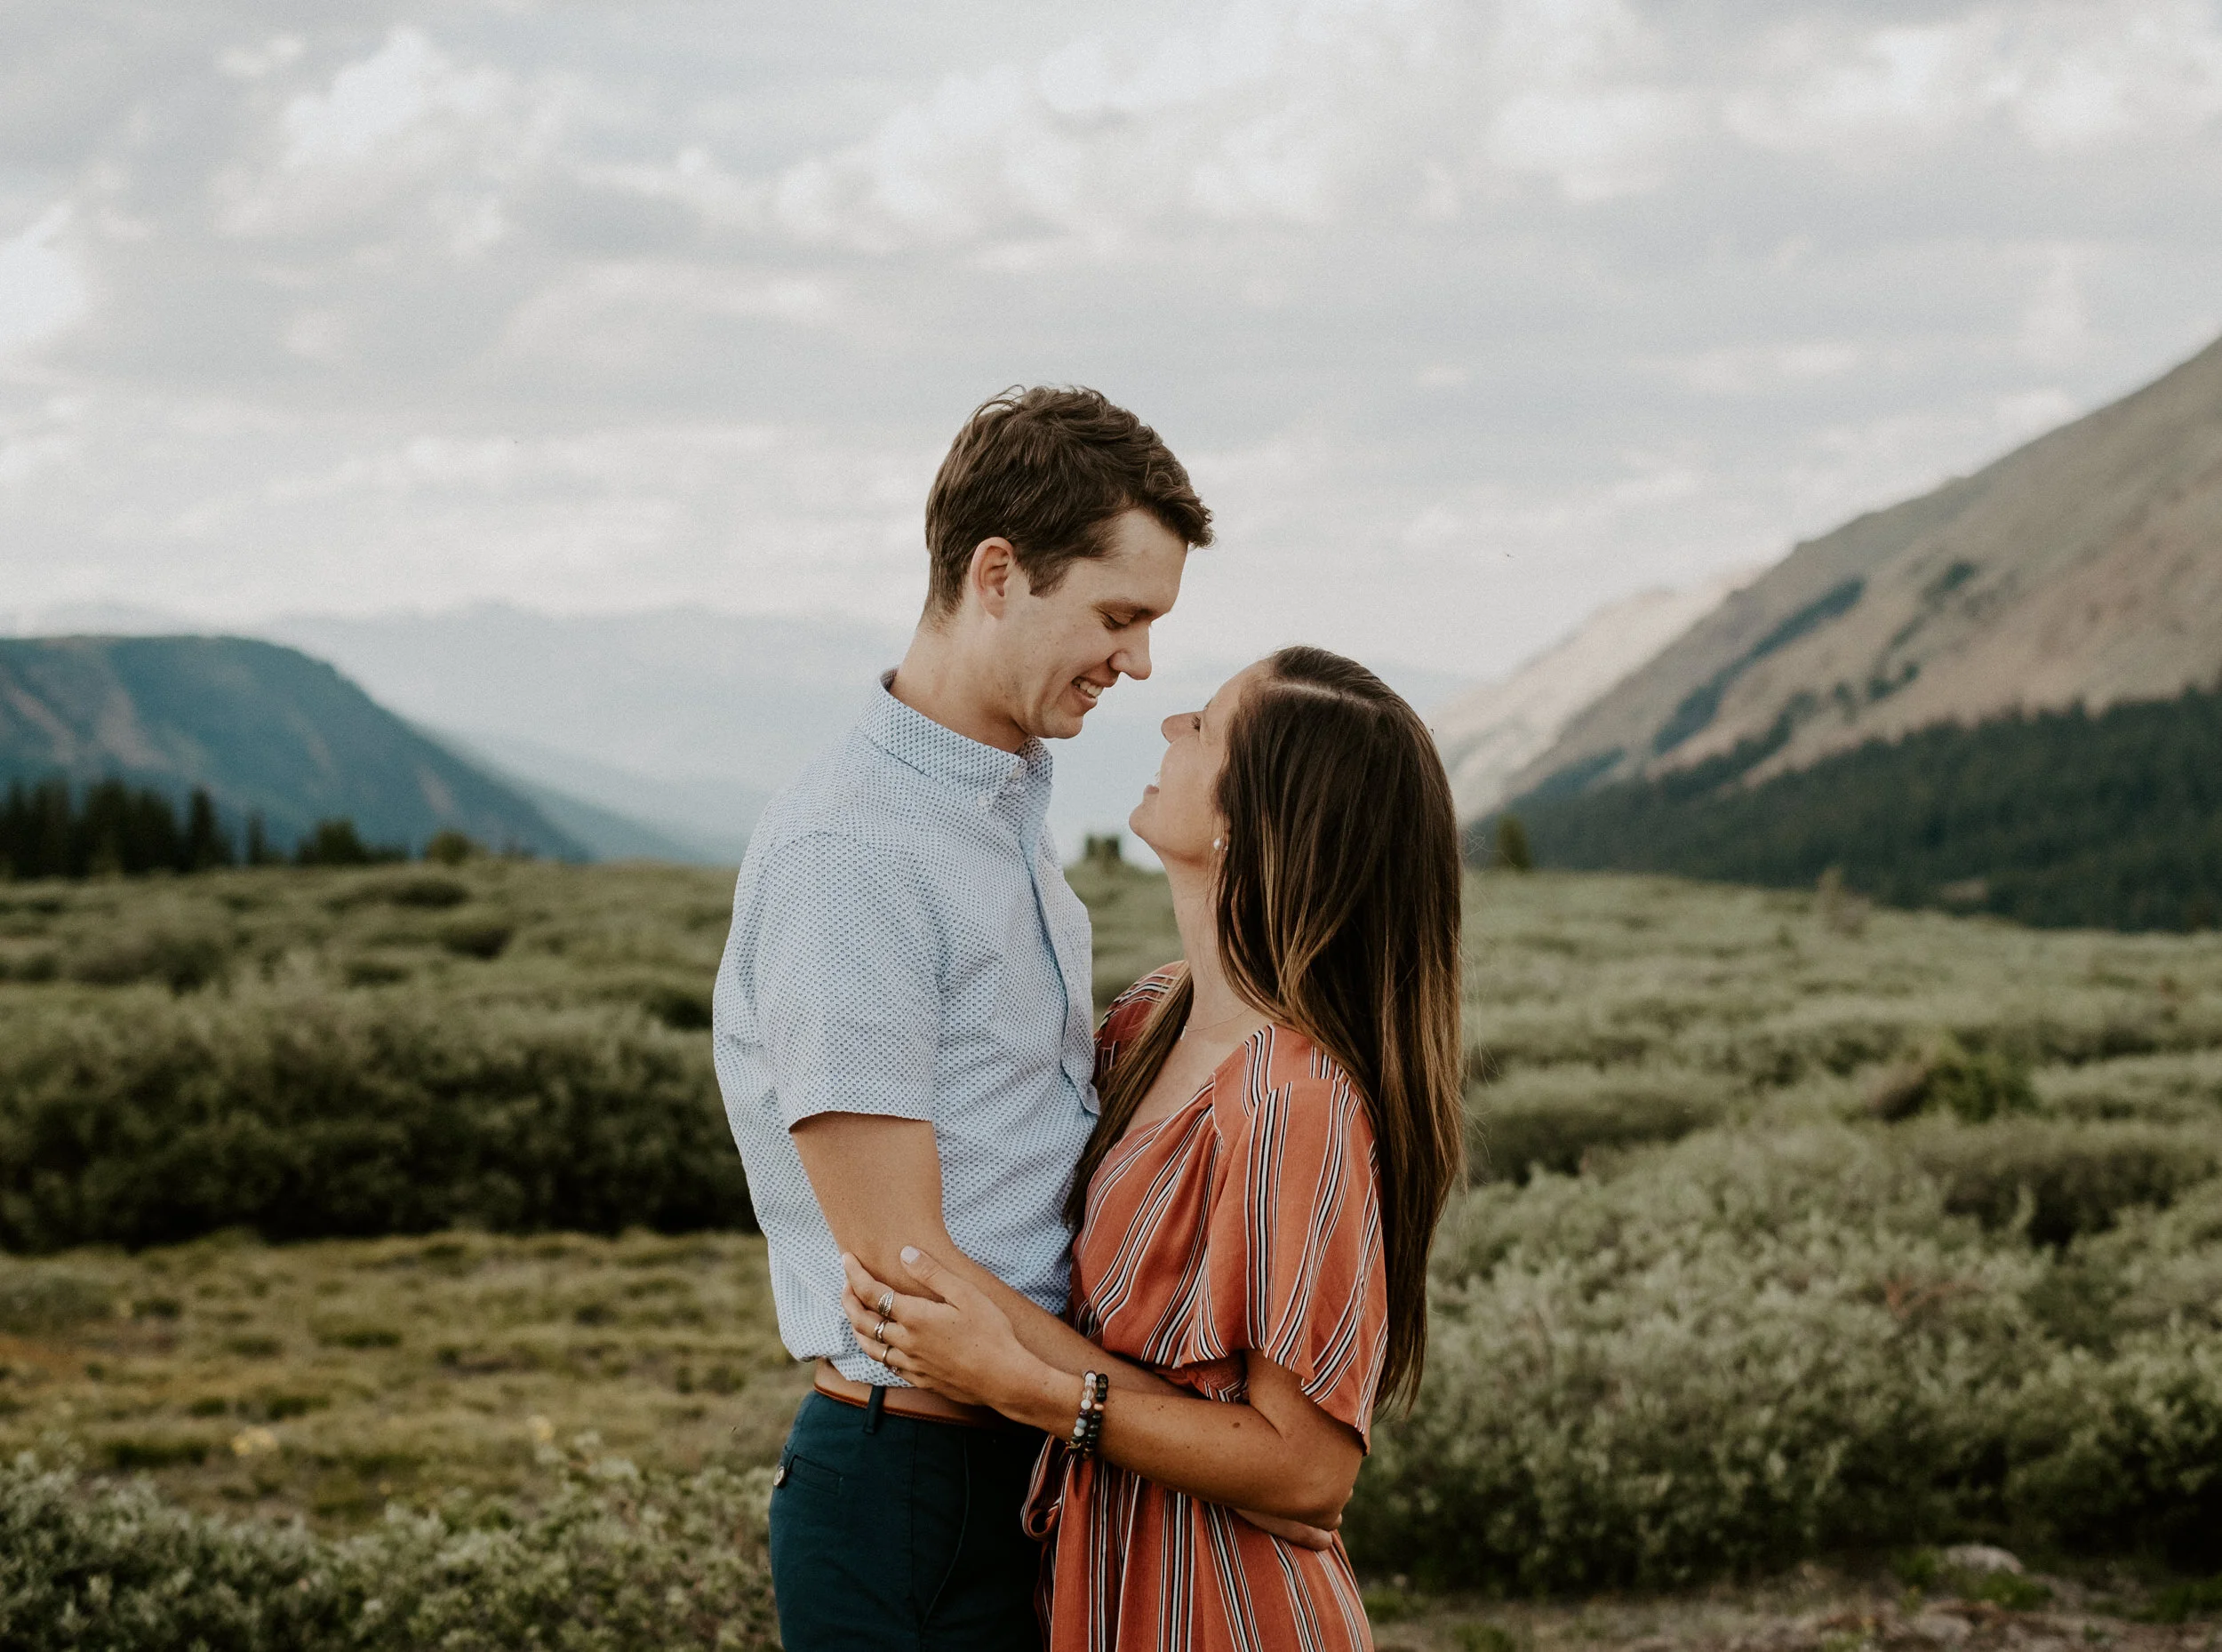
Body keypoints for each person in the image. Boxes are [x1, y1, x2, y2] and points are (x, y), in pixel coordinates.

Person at [712, 385, 1214, 1651]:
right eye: (1118, 614)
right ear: (998, 572)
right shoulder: (856, 852)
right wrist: (1152, 1410)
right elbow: (907, 1273)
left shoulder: (987, 813)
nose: (1138, 662)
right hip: (920, 1489)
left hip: (1021, 1458)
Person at [841, 645, 1468, 1651]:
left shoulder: (1290, 1102)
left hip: (1220, 1604)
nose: (1171, 726)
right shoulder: (1146, 1020)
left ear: (1245, 821)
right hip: (1102, 1575)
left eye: (1207, 725)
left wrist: (1025, 1386)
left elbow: (1308, 1470)